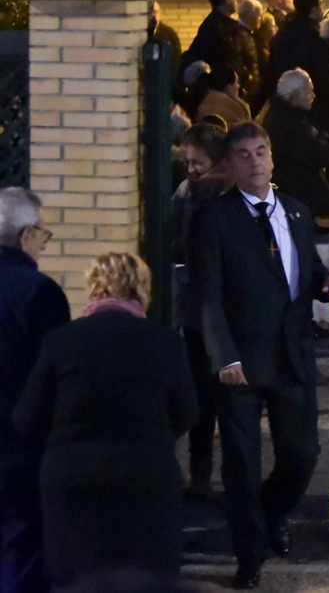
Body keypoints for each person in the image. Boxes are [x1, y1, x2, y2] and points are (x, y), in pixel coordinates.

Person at [190, 123, 329, 590]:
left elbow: (304, 269)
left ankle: (270, 512)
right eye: (243, 154)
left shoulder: (296, 212)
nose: (255, 161)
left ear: (272, 157)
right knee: (241, 464)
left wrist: (326, 281)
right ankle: (249, 554)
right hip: (239, 363)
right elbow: (208, 295)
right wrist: (223, 357)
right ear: (229, 165)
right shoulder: (214, 218)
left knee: (303, 454)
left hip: (291, 355)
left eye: (261, 151)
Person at [13, 253, 197, 587]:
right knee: (147, 578)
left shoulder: (61, 341)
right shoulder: (165, 342)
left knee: (76, 578)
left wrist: (61, 441)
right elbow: (186, 413)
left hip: (73, 477)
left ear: (94, 286)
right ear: (143, 288)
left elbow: (27, 418)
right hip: (146, 474)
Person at [0, 189, 71, 593]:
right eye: (43, 235)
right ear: (26, 235)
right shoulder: (40, 292)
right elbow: (52, 377)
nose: (42, 244)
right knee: (21, 546)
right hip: (19, 443)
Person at [170, 123, 230, 500]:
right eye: (187, 162)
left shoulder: (195, 193)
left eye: (198, 162)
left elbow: (177, 241)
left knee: (203, 397)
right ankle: (215, 476)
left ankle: (202, 476)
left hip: (198, 307)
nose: (192, 169)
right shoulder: (223, 189)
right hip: (208, 307)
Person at [259, 69, 329, 224]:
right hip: (302, 202)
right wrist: (321, 140)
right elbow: (321, 156)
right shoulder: (285, 122)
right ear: (296, 95)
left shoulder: (288, 116)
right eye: (309, 91)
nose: (313, 96)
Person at [265, 0, 329, 135]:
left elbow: (270, 72)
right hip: (313, 106)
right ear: (313, 10)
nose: (323, 8)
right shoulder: (316, 40)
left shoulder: (281, 36)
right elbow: (325, 78)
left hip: (284, 103)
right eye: (321, 4)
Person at [183, 0, 260, 101]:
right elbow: (225, 59)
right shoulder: (213, 27)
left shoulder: (227, 25)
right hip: (221, 93)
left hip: (231, 90)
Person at [237, 0, 275, 103]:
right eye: (259, 15)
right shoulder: (240, 34)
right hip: (246, 90)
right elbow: (238, 61)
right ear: (251, 15)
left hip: (251, 88)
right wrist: (248, 79)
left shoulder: (248, 34)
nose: (261, 19)